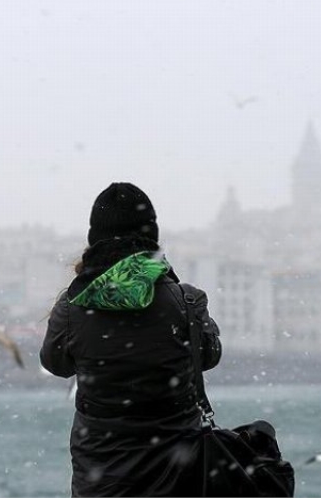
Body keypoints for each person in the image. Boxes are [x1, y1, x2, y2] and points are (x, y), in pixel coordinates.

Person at [40, 182, 222, 497]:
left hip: (103, 478)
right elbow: (209, 355)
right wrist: (165, 279)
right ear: (152, 237)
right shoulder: (186, 301)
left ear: (94, 240)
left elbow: (55, 363)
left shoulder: (73, 307)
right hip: (179, 474)